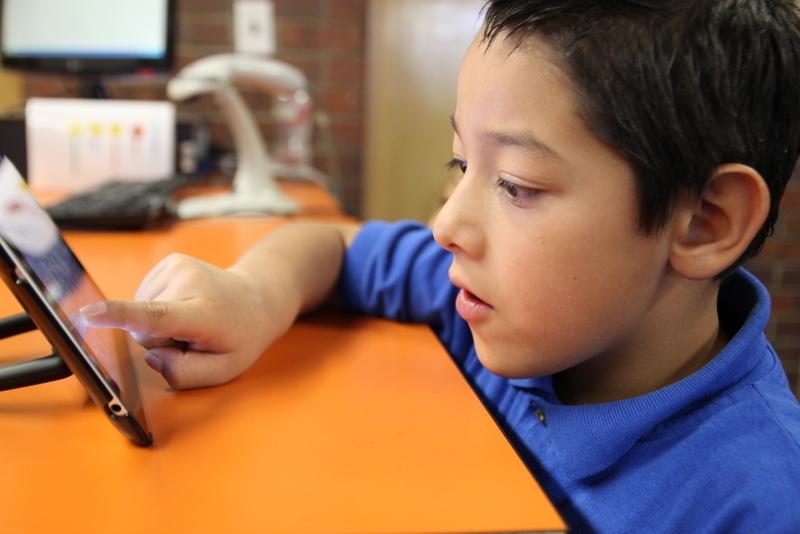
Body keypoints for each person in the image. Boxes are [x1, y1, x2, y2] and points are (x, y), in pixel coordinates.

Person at [81, 0, 800, 531]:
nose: (447, 225)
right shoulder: (491, 305)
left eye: (516, 184)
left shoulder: (759, 502)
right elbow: (336, 247)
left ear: (706, 222)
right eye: (462, 162)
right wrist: (252, 295)